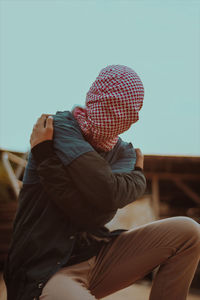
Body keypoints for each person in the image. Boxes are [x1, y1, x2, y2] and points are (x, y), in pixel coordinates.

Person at [3, 65, 200, 300]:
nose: (116, 115)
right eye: (111, 104)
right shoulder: (59, 128)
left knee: (189, 232)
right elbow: (101, 200)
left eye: (126, 110)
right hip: (47, 270)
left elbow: (104, 204)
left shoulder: (124, 152)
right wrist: (134, 177)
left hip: (97, 255)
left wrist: (136, 177)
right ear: (93, 97)